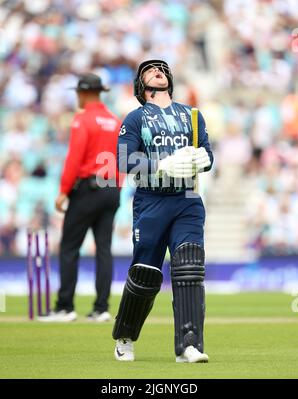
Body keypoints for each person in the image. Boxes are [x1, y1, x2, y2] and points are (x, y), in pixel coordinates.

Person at [112, 60, 213, 362]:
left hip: (187, 200)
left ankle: (190, 344)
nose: (157, 70)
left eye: (161, 68)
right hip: (151, 201)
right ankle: (125, 337)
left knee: (189, 266)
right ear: (141, 86)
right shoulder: (135, 118)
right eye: (149, 70)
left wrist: (201, 159)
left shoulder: (192, 116)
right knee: (145, 273)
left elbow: (208, 154)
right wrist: (161, 165)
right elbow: (122, 160)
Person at [40, 73, 122, 322]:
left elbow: (74, 159)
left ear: (84, 93)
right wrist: (116, 186)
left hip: (89, 188)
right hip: (111, 188)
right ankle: (101, 308)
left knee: (69, 247)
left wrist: (64, 191)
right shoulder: (114, 121)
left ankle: (65, 306)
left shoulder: (82, 120)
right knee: (104, 249)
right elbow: (124, 155)